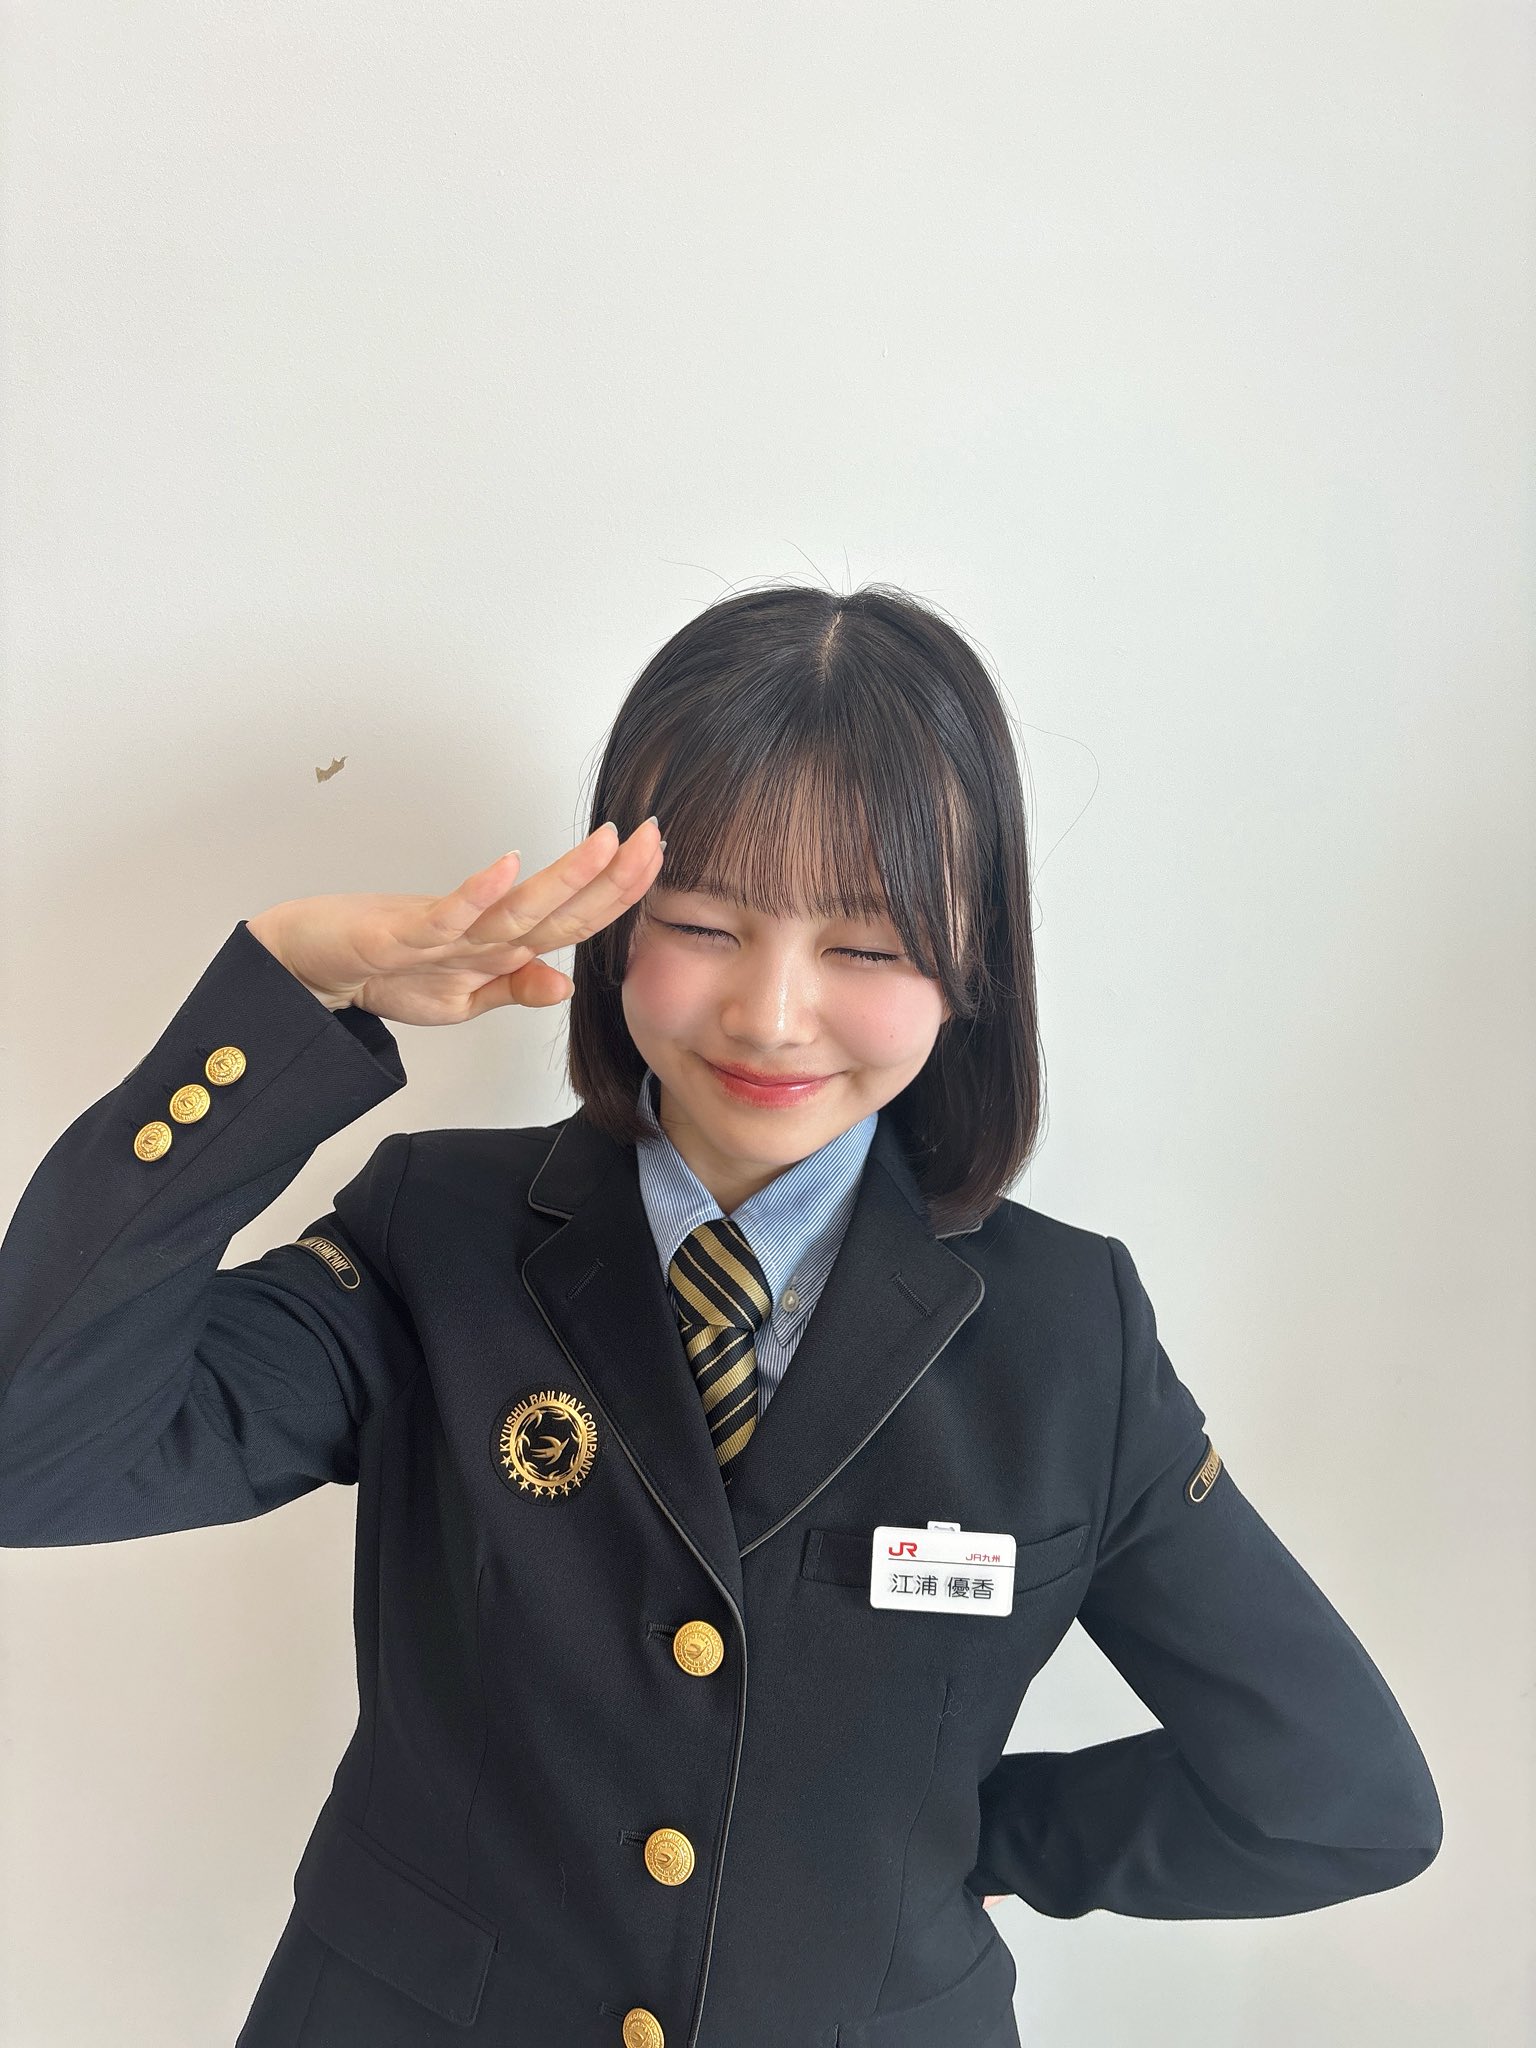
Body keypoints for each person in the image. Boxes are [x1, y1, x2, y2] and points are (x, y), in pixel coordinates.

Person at [0, 582, 1441, 2048]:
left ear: (974, 967)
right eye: (703, 923)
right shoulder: (434, 1232)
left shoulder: (1075, 1336)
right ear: (618, 932)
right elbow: (31, 1459)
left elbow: (1334, 1797)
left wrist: (969, 1839)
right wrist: (290, 1002)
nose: (770, 1014)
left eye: (868, 946)